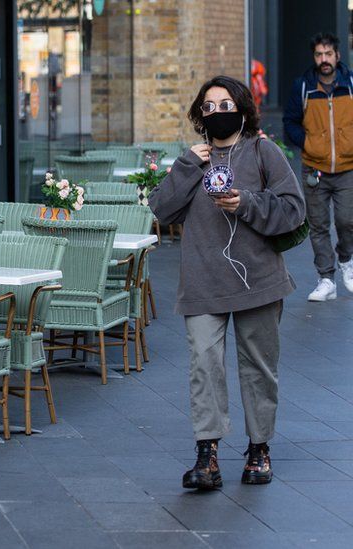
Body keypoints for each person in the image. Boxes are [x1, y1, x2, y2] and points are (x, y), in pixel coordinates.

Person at [149, 76, 306, 490]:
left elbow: (294, 209)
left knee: (258, 368)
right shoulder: (192, 160)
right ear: (200, 115)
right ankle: (208, 454)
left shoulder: (262, 151)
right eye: (208, 107)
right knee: (204, 365)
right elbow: (162, 210)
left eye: (225, 105)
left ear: (241, 108)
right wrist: (186, 166)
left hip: (258, 279)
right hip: (202, 280)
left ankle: (259, 448)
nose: (217, 113)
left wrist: (247, 203)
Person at [283, 32, 353, 301]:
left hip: (347, 166)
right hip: (315, 168)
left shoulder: (349, 84)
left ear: (337, 56)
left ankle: (346, 258)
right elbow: (290, 122)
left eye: (328, 54)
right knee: (319, 224)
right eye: (318, 55)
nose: (323, 60)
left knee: (347, 222)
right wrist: (309, 143)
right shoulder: (303, 86)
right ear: (314, 57)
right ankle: (326, 279)